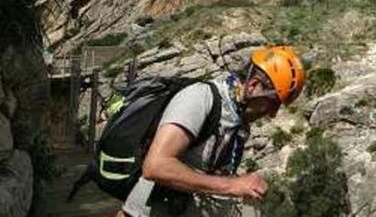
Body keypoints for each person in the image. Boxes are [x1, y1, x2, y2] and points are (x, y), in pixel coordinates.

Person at [118, 45, 306, 217]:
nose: (273, 114)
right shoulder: (200, 98)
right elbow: (156, 166)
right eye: (272, 103)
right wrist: (232, 185)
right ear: (253, 86)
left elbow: (208, 174)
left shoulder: (238, 120)